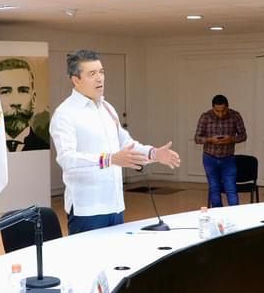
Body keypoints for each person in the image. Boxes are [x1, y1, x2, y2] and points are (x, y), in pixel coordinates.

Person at [50, 49, 181, 235]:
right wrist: (110, 159)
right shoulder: (65, 114)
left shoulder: (107, 108)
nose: (100, 79)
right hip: (88, 209)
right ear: (76, 80)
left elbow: (127, 146)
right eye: (92, 74)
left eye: (101, 72)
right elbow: (67, 159)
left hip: (115, 204)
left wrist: (154, 154)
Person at [194, 94, 248, 207]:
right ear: (213, 108)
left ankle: (235, 217)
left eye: (223, 111)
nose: (220, 114)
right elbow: (197, 138)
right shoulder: (205, 117)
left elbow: (243, 136)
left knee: (231, 189)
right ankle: (218, 218)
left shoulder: (235, 116)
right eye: (217, 111)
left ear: (227, 107)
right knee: (214, 188)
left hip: (228, 159)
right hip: (210, 158)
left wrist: (231, 139)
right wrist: (210, 140)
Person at [0, 57, 50, 151]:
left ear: (33, 99)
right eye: (5, 92)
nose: (16, 102)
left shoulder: (45, 148)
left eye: (23, 91)